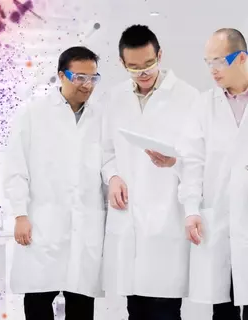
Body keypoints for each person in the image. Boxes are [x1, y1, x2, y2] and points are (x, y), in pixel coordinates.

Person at [100, 25, 199, 320]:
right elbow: (106, 151)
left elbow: (197, 159)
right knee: (136, 309)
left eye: (149, 64)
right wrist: (113, 176)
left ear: (160, 55)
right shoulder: (114, 98)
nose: (142, 73)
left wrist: (175, 161)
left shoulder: (188, 97)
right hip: (128, 219)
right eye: (133, 67)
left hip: (166, 218)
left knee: (164, 310)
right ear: (122, 63)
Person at [3, 46, 106, 320]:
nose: (87, 85)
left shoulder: (101, 118)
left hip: (84, 225)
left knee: (81, 303)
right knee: (38, 300)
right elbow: (16, 168)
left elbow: (108, 165)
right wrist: (20, 214)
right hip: (43, 222)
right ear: (62, 75)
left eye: (93, 78)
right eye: (79, 77)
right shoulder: (33, 115)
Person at [178, 28, 248, 320]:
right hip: (220, 220)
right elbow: (191, 161)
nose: (212, 70)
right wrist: (191, 209)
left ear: (241, 58)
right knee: (225, 307)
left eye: (219, 61)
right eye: (208, 62)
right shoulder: (204, 105)